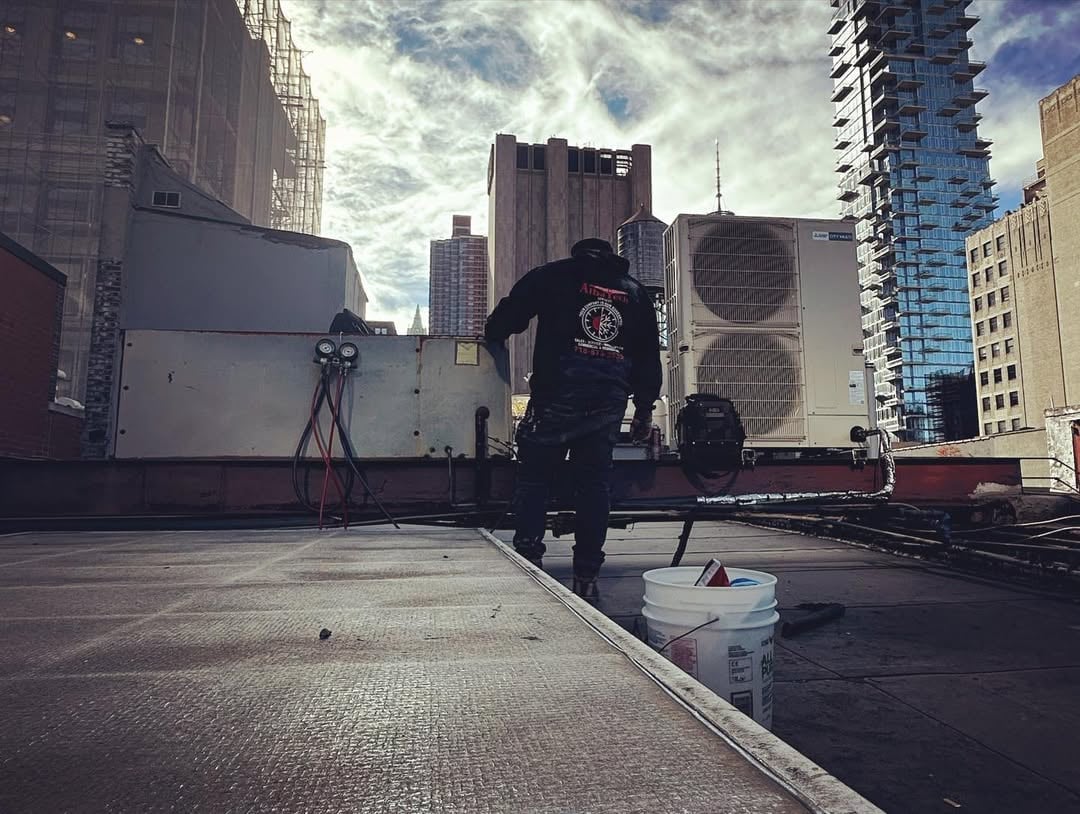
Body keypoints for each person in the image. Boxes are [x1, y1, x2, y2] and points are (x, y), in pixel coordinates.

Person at [485, 237, 662, 603]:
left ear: (577, 253)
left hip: (557, 395)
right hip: (608, 402)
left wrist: (493, 335)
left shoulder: (553, 275)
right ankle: (587, 574)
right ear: (611, 258)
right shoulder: (635, 293)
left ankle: (531, 559)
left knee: (535, 479)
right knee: (594, 485)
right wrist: (643, 410)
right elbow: (649, 357)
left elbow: (510, 316)